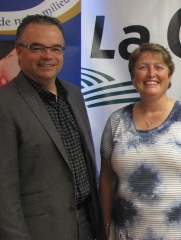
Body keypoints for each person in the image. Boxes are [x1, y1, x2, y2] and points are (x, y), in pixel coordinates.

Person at [0, 15, 105, 239]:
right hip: (40, 232)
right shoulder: (5, 105)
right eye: (37, 48)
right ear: (19, 51)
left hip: (84, 226)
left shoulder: (74, 94)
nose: (48, 56)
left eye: (56, 49)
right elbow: (4, 194)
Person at [99, 43, 181, 240]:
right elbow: (106, 179)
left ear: (169, 76)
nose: (151, 73)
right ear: (132, 76)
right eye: (143, 67)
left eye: (159, 67)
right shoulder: (116, 121)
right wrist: (105, 225)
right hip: (125, 234)